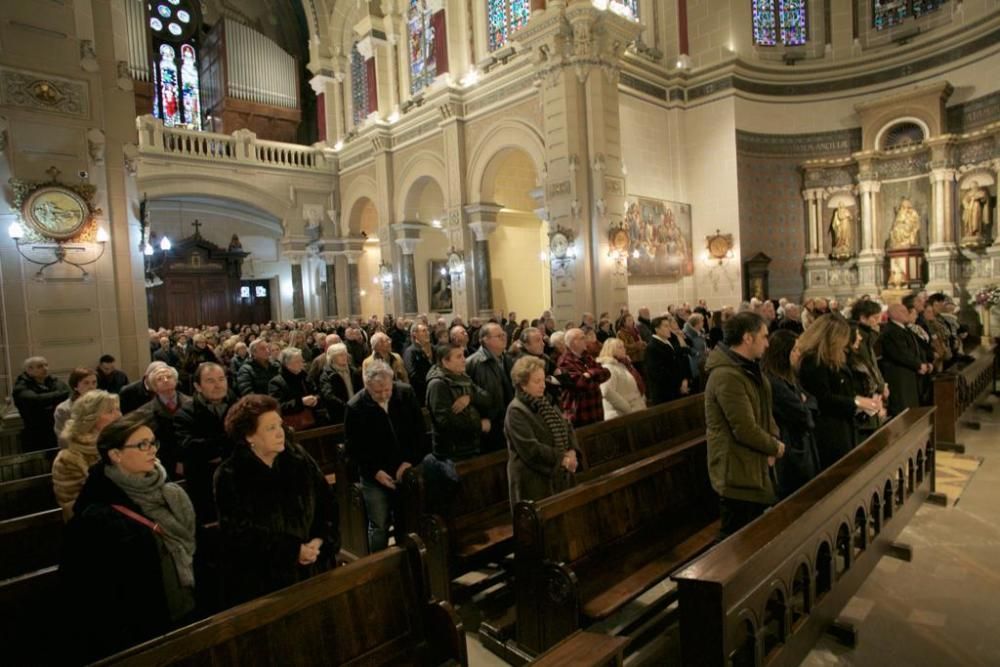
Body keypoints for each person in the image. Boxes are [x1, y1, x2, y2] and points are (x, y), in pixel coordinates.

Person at [60, 412, 197, 662]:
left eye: (153, 442)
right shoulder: (97, 515)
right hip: (140, 634)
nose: (151, 450)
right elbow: (90, 591)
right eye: (141, 444)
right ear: (115, 455)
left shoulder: (170, 492)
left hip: (185, 612)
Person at [213, 394, 338, 606]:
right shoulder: (230, 475)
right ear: (249, 436)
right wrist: (292, 551)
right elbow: (239, 533)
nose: (280, 432)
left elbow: (327, 504)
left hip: (316, 566)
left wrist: (320, 540)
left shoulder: (298, 459)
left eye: (280, 425)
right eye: (270, 428)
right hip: (268, 583)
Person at [704, 312, 785, 540]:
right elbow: (744, 428)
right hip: (737, 471)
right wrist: (774, 447)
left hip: (753, 463)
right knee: (735, 540)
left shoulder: (747, 368)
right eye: (764, 336)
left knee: (754, 536)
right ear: (748, 338)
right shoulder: (726, 376)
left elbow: (766, 412)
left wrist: (773, 440)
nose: (767, 343)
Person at [344, 361, 424, 552]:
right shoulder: (355, 406)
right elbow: (354, 449)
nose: (383, 395)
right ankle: (379, 568)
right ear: (366, 386)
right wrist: (375, 472)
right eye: (377, 392)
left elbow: (419, 432)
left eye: (387, 389)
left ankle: (408, 561)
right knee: (379, 524)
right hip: (375, 474)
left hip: (405, 468)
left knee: (408, 519)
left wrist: (409, 462)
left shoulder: (405, 393)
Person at [797, 314, 881, 470]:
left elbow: (845, 391)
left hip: (844, 426)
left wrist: (862, 404)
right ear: (831, 337)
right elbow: (822, 398)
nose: (844, 343)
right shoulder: (813, 361)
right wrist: (856, 402)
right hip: (827, 430)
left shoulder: (834, 359)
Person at [505, 355, 581, 508]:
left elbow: (566, 425)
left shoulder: (544, 401)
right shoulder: (516, 410)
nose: (543, 385)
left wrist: (572, 450)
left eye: (543, 380)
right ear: (523, 385)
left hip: (558, 474)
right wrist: (563, 459)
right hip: (533, 481)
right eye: (537, 381)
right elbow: (530, 449)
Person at [175, 362, 237, 523]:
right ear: (198, 386)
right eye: (210, 381)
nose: (218, 385)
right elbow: (190, 448)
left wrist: (215, 448)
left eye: (221, 379)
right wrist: (228, 441)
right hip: (205, 484)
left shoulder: (240, 406)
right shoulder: (185, 413)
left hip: (239, 479)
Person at [761, 331, 820, 499]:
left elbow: (812, 401)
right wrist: (804, 404)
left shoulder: (789, 376)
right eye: (794, 350)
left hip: (801, 443)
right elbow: (803, 416)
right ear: (782, 353)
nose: (798, 354)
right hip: (790, 449)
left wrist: (804, 403)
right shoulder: (774, 382)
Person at [52, 390, 122, 519]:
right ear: (91, 418)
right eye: (110, 411)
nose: (119, 415)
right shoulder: (69, 458)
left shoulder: (124, 444)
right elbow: (74, 507)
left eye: (118, 409)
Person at [425, 344, 492, 461]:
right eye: (459, 357)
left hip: (470, 445)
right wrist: (479, 426)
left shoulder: (463, 378)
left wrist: (470, 397)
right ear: (445, 362)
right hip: (453, 451)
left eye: (463, 356)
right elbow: (444, 422)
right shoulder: (437, 384)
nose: (464, 360)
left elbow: (487, 398)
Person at [466, 323, 515, 451]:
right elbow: (468, 394)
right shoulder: (474, 362)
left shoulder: (507, 359)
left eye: (503, 334)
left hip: (509, 419)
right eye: (498, 336)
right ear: (485, 340)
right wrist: (479, 421)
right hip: (490, 423)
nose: (504, 338)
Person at [879, 303, 931, 416]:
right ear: (894, 314)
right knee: (904, 410)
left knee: (912, 408)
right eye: (903, 311)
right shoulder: (891, 331)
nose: (907, 313)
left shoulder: (904, 328)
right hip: (900, 376)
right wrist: (918, 365)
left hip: (910, 374)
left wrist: (923, 363)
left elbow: (917, 347)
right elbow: (901, 353)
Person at [13, 356, 71, 451]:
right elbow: (36, 401)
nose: (45, 368)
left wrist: (49, 400)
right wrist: (57, 397)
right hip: (36, 433)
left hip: (55, 430)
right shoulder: (21, 386)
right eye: (40, 366)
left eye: (46, 365)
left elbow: (66, 392)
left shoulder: (52, 380)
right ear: (29, 369)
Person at [557, 328, 611, 427]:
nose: (586, 340)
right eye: (582, 338)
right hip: (579, 413)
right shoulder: (564, 361)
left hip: (595, 410)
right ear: (573, 342)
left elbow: (606, 373)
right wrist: (594, 375)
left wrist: (589, 374)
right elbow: (580, 384)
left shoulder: (587, 356)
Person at [268, 347, 321, 430]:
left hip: (312, 420)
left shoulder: (304, 376)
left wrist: (315, 399)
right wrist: (301, 402)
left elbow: (316, 391)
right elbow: (278, 406)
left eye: (302, 361)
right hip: (293, 426)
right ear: (287, 364)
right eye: (297, 361)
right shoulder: (276, 382)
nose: (302, 364)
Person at [596, 338, 646, 420]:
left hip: (633, 410)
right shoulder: (608, 367)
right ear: (611, 349)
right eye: (620, 347)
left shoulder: (624, 364)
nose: (624, 349)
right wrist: (627, 408)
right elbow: (606, 391)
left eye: (623, 346)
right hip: (620, 414)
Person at [645, 316, 690, 405]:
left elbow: (676, 363)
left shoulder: (666, 342)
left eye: (669, 326)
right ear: (657, 329)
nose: (669, 329)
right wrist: (679, 384)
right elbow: (658, 373)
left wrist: (683, 379)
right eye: (666, 326)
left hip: (673, 390)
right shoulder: (652, 347)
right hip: (664, 394)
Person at [318, 343, 362, 424]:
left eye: (345, 354)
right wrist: (347, 407)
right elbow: (328, 395)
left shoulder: (353, 371)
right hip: (340, 414)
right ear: (333, 358)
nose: (344, 357)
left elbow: (361, 389)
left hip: (358, 410)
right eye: (340, 355)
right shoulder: (327, 374)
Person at [53, 367, 99, 440]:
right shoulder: (64, 409)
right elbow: (63, 438)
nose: (91, 387)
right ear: (75, 386)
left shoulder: (103, 403)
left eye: (94, 382)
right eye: (86, 383)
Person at [403, 322, 434, 405]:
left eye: (427, 330)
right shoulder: (410, 352)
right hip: (421, 393)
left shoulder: (434, 349)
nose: (427, 333)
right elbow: (413, 375)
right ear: (415, 334)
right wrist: (429, 384)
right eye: (424, 331)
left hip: (434, 390)